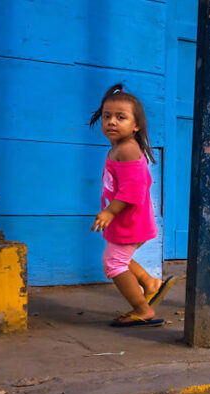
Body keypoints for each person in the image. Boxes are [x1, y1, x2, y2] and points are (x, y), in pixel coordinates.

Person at [90, 84, 174, 327]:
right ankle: (150, 284)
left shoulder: (127, 149)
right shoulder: (118, 147)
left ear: (136, 125)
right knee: (118, 258)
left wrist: (109, 211)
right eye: (107, 116)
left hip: (129, 221)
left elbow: (133, 190)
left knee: (113, 264)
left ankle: (142, 309)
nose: (112, 122)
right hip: (124, 221)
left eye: (120, 117)